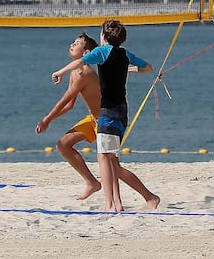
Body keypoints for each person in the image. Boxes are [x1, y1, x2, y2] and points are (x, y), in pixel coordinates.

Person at [37, 32, 159, 209]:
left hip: (106, 118)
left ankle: (148, 197)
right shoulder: (75, 72)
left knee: (113, 167)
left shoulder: (82, 72)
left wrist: (47, 120)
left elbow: (65, 99)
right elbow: (70, 105)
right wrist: (49, 119)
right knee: (63, 144)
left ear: (86, 52)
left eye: (77, 43)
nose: (72, 44)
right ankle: (92, 183)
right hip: (94, 119)